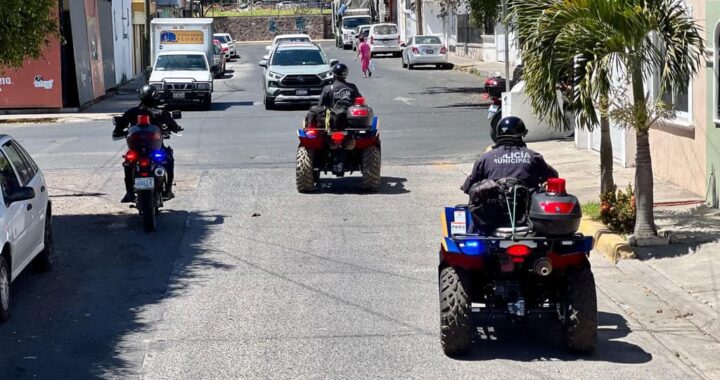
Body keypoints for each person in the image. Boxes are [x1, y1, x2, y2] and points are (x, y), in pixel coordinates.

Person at [113, 84, 183, 203]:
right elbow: (173, 126)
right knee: (169, 160)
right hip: (155, 150)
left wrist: (120, 132)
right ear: (155, 97)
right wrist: (176, 128)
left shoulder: (132, 112)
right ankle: (168, 190)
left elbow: (118, 129)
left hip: (136, 151)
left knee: (128, 163)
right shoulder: (160, 112)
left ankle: (129, 193)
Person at [461, 116, 558, 194]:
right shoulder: (533, 157)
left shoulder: (485, 159)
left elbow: (468, 187)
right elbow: (553, 176)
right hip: (527, 211)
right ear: (522, 135)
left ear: (498, 135)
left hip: (494, 213)